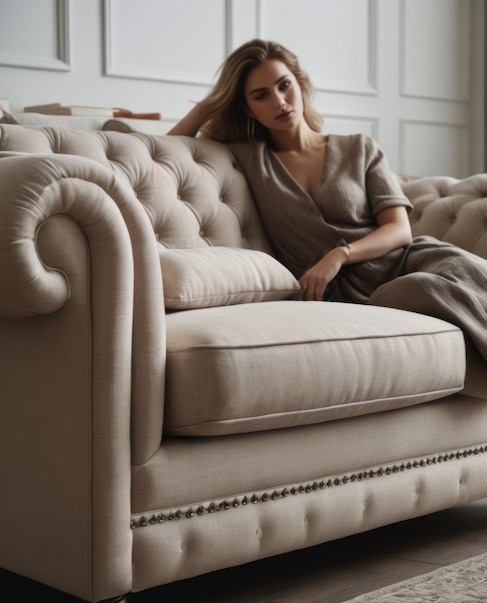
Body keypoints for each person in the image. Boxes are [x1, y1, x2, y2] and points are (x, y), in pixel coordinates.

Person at [168, 38, 487, 363]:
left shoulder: (360, 148)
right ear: (248, 108)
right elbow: (166, 153)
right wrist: (211, 104)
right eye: (261, 96)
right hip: (349, 294)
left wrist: (339, 254)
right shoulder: (247, 157)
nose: (279, 101)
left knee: (467, 270)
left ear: (300, 84)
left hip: (407, 259)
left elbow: (400, 230)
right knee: (422, 289)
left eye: (284, 85)